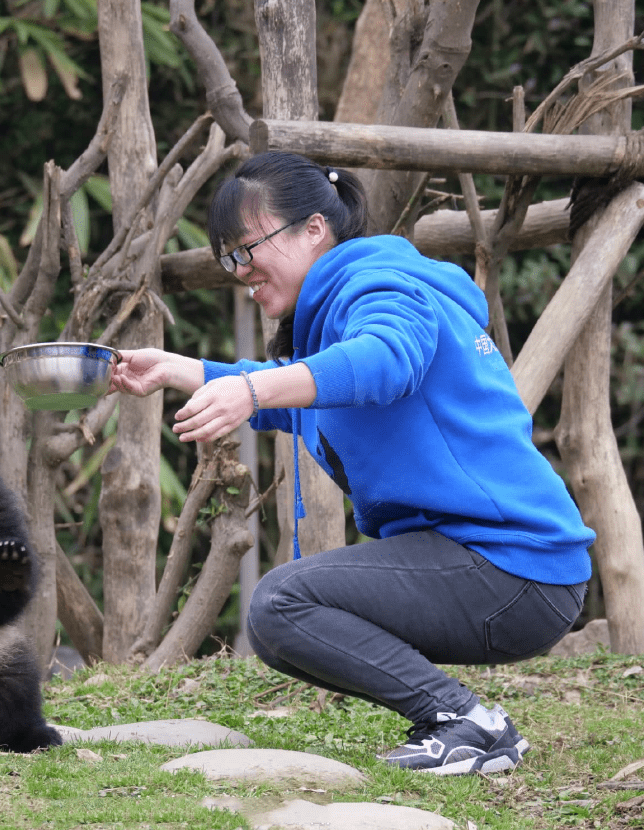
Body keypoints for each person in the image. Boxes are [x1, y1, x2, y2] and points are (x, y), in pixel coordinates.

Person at [108, 151, 593, 776]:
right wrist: (186, 371)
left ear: (314, 228)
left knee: (281, 604)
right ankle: (461, 720)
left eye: (247, 248)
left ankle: (465, 722)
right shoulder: (337, 312)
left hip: (514, 567)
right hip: (495, 566)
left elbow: (385, 358)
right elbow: (309, 396)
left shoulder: (382, 284)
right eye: (229, 257)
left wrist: (251, 392)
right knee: (282, 617)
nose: (240, 270)